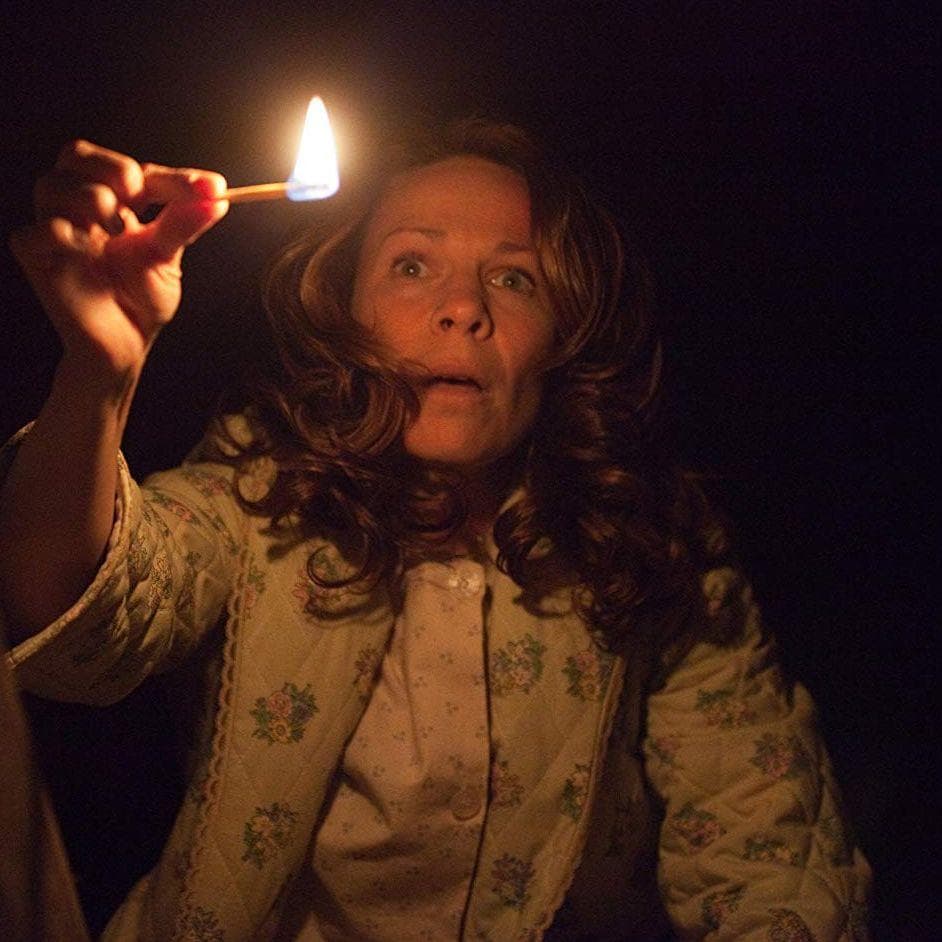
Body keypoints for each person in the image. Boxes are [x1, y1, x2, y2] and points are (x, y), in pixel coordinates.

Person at [1, 120, 871, 940]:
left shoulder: (652, 547)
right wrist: (98, 373)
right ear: (348, 312)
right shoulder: (263, 495)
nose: (463, 308)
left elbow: (765, 845)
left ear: (567, 334)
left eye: (515, 278)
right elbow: (78, 622)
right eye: (413, 266)